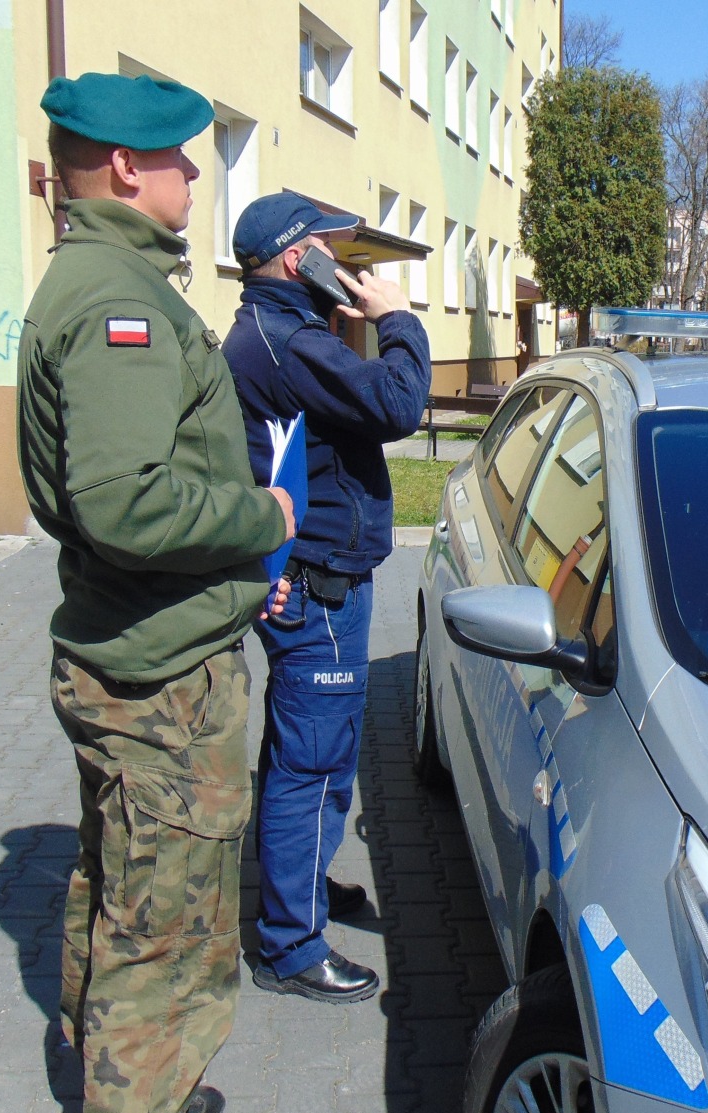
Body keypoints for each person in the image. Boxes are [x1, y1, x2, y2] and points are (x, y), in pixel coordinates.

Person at [17, 74, 296, 1113]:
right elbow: (125, 500)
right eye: (182, 159)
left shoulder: (105, 281)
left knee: (120, 891)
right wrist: (258, 521)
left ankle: (121, 1098)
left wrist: (231, 578)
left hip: (143, 647)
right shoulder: (116, 302)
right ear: (126, 169)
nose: (194, 175)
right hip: (160, 685)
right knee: (166, 932)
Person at [222, 194, 430, 1003]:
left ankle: (298, 883)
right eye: (322, 246)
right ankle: (289, 944)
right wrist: (399, 319)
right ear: (290, 257)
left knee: (317, 756)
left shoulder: (283, 334)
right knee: (311, 765)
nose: (338, 259)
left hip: (314, 579)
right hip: (319, 586)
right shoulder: (287, 341)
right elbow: (397, 404)